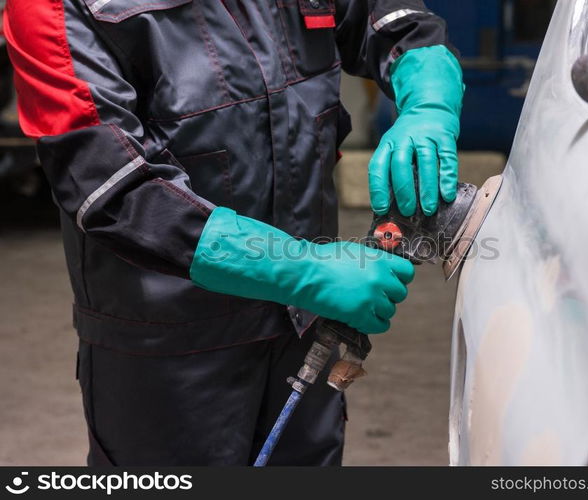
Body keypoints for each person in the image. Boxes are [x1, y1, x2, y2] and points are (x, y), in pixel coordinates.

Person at [4, 0, 464, 465]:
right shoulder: (56, 7)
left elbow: (397, 24)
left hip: (304, 325)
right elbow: (110, 187)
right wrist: (300, 269)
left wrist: (429, 104)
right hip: (169, 353)